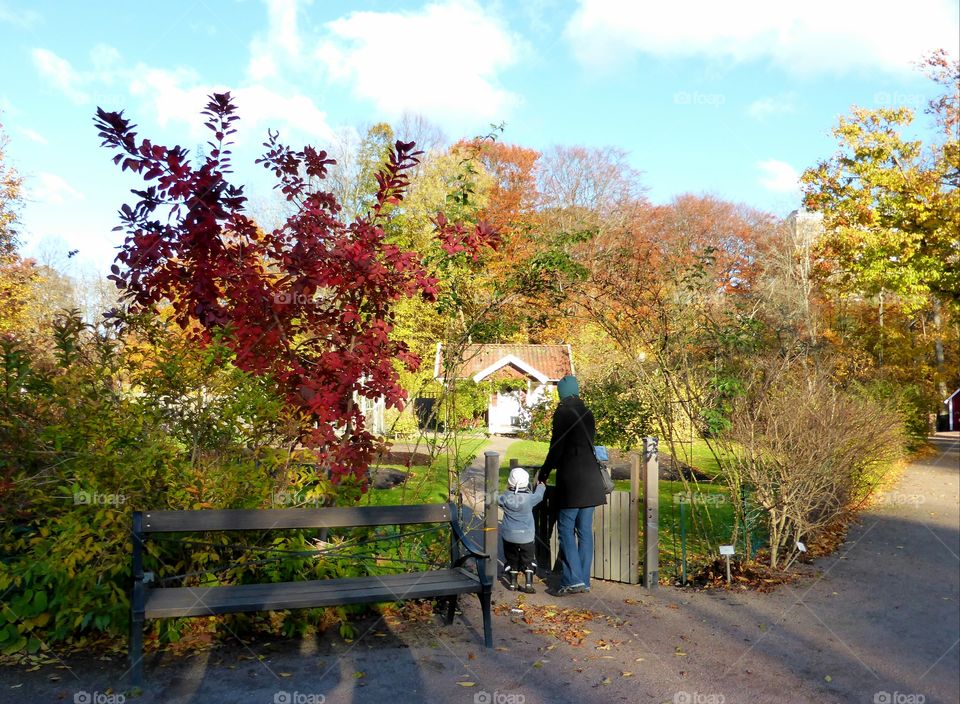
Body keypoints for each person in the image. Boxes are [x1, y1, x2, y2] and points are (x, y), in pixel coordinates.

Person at [538, 375, 606, 596]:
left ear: (562, 393)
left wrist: (544, 473)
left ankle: (572, 580)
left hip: (572, 482)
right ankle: (583, 581)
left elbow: (556, 448)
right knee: (584, 531)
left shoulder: (562, 413)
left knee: (566, 529)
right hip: (591, 480)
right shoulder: (588, 412)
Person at [498, 467, 546, 593]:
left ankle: (513, 583)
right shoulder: (529, 498)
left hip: (509, 536)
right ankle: (528, 583)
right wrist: (541, 486)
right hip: (526, 537)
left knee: (511, 559)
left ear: (510, 482)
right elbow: (539, 496)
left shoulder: (505, 497)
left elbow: (496, 499)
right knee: (528, 559)